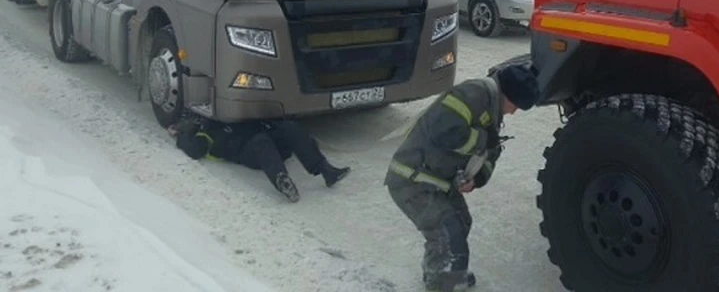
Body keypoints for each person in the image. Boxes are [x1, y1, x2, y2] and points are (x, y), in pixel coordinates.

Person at [384, 61, 540, 292]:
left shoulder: (491, 108)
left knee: (461, 222)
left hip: (435, 181)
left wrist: (477, 179)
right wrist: (482, 141)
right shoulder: (472, 95)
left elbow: (491, 151)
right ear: (506, 93)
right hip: (411, 179)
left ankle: (441, 273)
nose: (514, 111)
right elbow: (444, 130)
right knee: (447, 232)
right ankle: (442, 282)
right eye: (515, 105)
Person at [168, 116, 350, 202]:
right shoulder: (206, 131)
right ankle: (282, 181)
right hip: (249, 152)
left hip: (270, 140)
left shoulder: (241, 111)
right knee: (260, 141)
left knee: (291, 127)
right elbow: (194, 150)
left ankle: (326, 170)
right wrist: (179, 135)